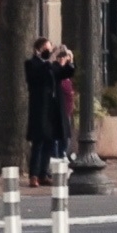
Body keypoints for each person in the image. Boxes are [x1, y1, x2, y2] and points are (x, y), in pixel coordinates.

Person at [23, 42, 77, 184]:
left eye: (50, 48)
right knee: (38, 142)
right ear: (38, 49)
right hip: (40, 108)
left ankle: (44, 172)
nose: (49, 51)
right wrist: (49, 60)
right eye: (46, 48)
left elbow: (66, 73)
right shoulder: (31, 64)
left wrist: (69, 62)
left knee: (50, 140)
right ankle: (33, 174)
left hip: (53, 109)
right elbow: (37, 75)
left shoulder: (53, 66)